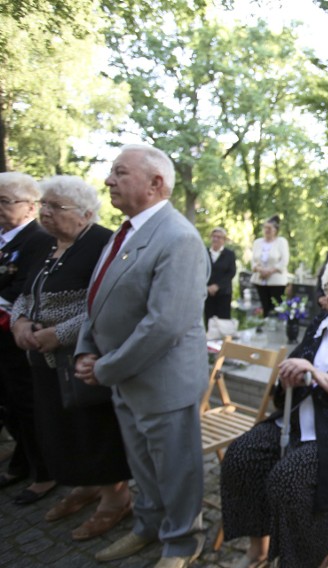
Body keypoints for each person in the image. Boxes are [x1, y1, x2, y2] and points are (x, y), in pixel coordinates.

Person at [75, 144, 209, 568]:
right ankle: (147, 527)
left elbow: (164, 325)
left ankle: (183, 542)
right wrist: (86, 348)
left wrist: (105, 367)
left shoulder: (180, 238)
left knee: (176, 469)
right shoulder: (125, 231)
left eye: (120, 173)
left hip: (162, 381)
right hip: (124, 376)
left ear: (156, 184)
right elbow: (97, 298)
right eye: (111, 173)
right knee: (142, 465)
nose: (109, 181)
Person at [220, 251, 328, 568]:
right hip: (298, 420)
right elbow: (296, 368)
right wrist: (290, 378)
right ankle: (258, 546)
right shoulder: (320, 323)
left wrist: (317, 374)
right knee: (242, 456)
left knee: (289, 481)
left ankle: (311, 558)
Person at [10, 175, 132, 540]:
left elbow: (106, 304)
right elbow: (27, 290)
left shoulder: (102, 244)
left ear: (84, 214)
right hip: (43, 359)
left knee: (93, 428)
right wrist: (19, 322)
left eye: (54, 207)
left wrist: (58, 334)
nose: (44, 213)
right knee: (61, 427)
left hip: (82, 358)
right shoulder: (49, 245)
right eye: (43, 204)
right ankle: (87, 485)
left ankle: (115, 499)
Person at [0, 172, 54, 503]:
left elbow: (26, 289)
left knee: (25, 402)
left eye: (5, 201)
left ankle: (44, 471)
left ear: (30, 207)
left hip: (19, 338)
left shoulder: (39, 239)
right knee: (8, 404)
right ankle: (22, 460)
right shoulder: (4, 238)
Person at [250, 215, 289, 317]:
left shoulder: (281, 242)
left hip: (276, 281)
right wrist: (259, 269)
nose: (266, 230)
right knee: (265, 307)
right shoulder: (257, 242)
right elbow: (253, 260)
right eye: (265, 228)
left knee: (276, 307)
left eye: (269, 228)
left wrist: (269, 271)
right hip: (260, 280)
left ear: (275, 230)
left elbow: (284, 261)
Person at [205, 227, 237, 325]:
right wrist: (207, 287)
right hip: (207, 293)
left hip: (224, 293)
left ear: (224, 240)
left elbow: (231, 273)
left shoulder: (229, 254)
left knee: (223, 322)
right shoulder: (205, 253)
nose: (215, 239)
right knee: (209, 321)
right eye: (214, 237)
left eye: (219, 237)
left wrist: (217, 286)